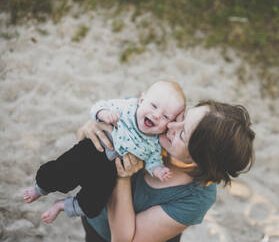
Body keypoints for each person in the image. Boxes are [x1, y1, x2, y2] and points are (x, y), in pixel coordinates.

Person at [77, 100, 256, 242]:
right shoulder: (153, 121)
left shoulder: (196, 199)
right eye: (183, 117)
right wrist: (89, 128)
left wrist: (122, 178)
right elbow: (80, 154)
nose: (170, 126)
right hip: (95, 222)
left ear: (198, 161)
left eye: (182, 134)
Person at [23, 80, 186, 223]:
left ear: (169, 124)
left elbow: (153, 161)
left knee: (93, 203)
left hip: (110, 171)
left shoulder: (155, 141)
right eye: (153, 106)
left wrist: (158, 170)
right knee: (60, 172)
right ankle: (40, 189)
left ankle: (62, 206)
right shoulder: (127, 108)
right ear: (142, 100)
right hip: (91, 150)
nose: (156, 115)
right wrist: (104, 114)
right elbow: (99, 106)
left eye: (165, 116)